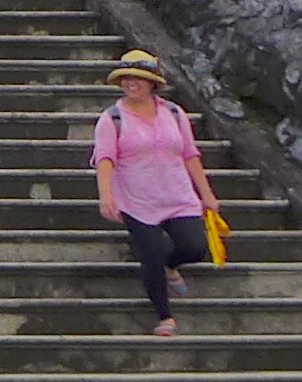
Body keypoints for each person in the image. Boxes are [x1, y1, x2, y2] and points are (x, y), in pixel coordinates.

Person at [91, 49, 222, 337]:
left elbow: (190, 154)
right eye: (126, 78)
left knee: (195, 248)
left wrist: (207, 194)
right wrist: (106, 195)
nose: (131, 83)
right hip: (137, 201)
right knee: (151, 256)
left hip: (178, 196)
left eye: (138, 78)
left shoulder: (174, 113)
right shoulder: (112, 119)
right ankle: (165, 317)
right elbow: (105, 159)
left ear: (152, 83)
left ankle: (172, 267)